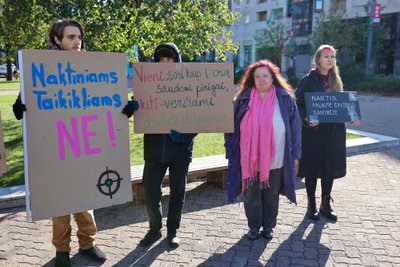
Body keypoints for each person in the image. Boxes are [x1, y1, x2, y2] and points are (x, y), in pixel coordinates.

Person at [12, 19, 106, 267]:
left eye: (79, 37)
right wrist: (20, 107)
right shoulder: (40, 68)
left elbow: (102, 100)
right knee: (61, 206)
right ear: (57, 40)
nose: (77, 42)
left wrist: (124, 108)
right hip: (56, 150)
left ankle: (88, 245)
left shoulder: (90, 67)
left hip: (83, 146)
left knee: (86, 202)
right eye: (71, 37)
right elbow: (24, 105)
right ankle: (62, 252)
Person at [122, 43, 196, 248]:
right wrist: (131, 108)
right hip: (154, 150)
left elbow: (202, 115)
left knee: (178, 192)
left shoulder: (188, 84)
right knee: (152, 190)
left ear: (176, 61)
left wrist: (185, 136)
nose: (165, 63)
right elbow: (131, 111)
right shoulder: (147, 85)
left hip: (180, 150)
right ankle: (154, 229)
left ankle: (172, 231)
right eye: (161, 60)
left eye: (169, 60)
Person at [224, 60, 301, 240]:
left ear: (273, 77)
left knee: (271, 194)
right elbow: (230, 127)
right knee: (251, 195)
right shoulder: (242, 99)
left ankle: (268, 226)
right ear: (252, 79)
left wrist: (296, 154)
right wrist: (230, 149)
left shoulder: (285, 99)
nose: (261, 79)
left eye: (265, 75)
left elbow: (296, 129)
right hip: (248, 158)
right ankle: (253, 226)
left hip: (276, 158)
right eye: (257, 76)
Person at [295, 44, 360, 222]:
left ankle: (326, 204)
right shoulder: (308, 80)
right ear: (318, 60)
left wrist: (352, 116)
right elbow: (297, 104)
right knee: (312, 166)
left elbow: (341, 103)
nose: (330, 60)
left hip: (334, 131)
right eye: (326, 56)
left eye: (332, 57)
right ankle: (311, 205)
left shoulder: (336, 79)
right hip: (314, 132)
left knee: (329, 166)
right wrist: (307, 118)